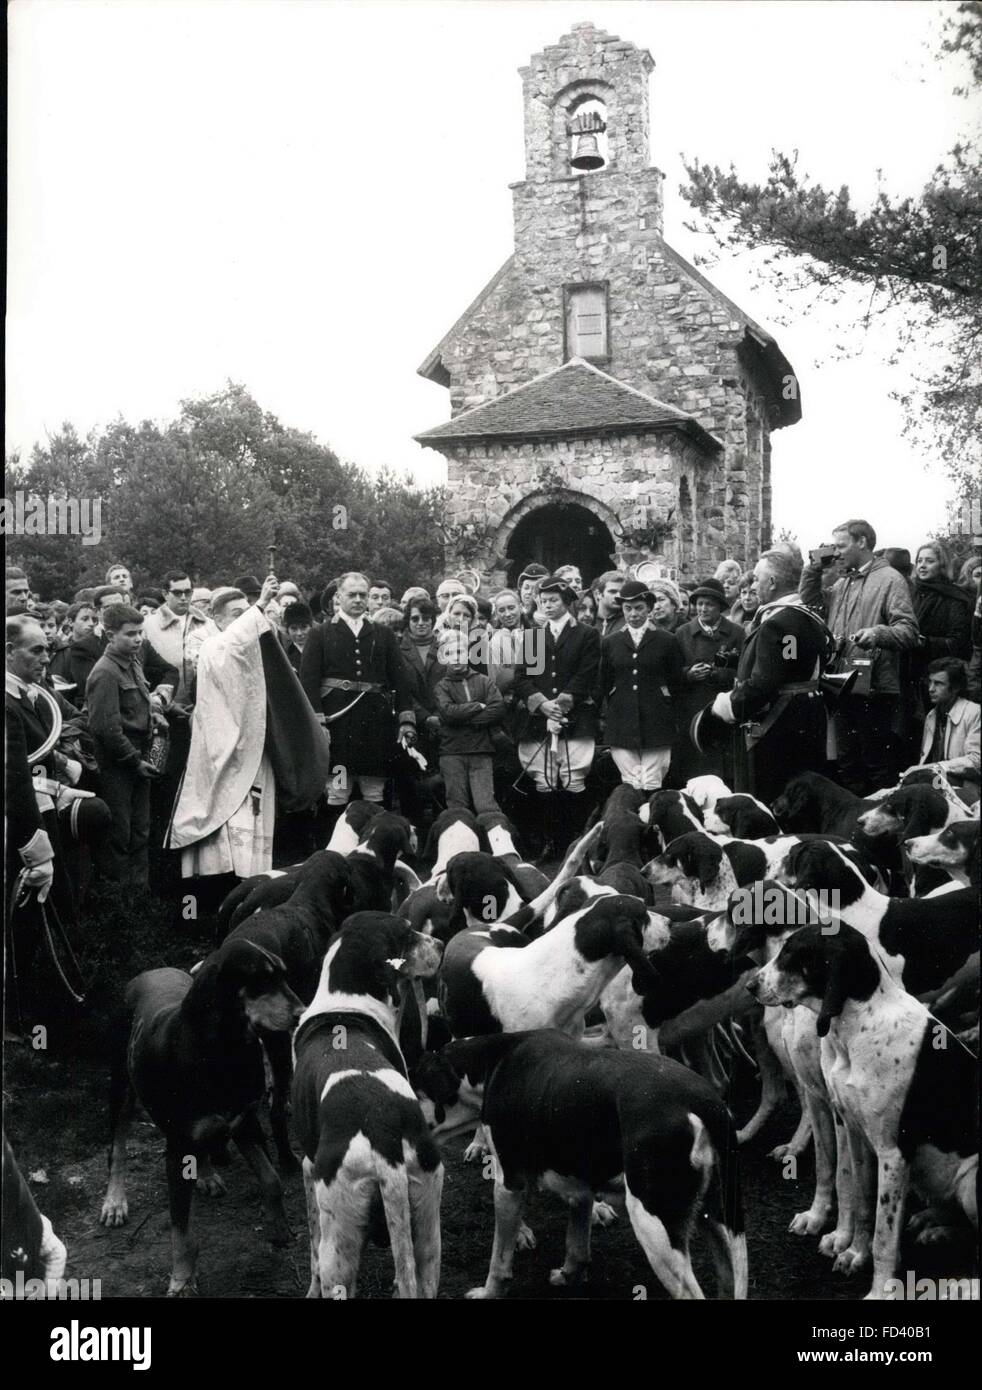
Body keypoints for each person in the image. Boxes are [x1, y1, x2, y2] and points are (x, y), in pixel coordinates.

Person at [171, 577, 331, 882]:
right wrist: (259, 606)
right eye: (236, 613)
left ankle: (251, 876)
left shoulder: (248, 650)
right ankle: (217, 880)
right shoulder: (211, 647)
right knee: (226, 822)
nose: (245, 619)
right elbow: (232, 644)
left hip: (253, 744)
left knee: (254, 820)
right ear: (216, 619)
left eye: (246, 612)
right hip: (221, 748)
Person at [800, 518, 919, 795]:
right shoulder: (844, 583)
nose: (836, 552)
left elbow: (909, 630)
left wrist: (877, 634)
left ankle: (881, 826)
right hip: (842, 684)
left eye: (841, 545)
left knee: (875, 763)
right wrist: (813, 569)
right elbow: (811, 602)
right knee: (847, 761)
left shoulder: (890, 579)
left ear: (862, 542)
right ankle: (857, 825)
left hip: (875, 688)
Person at [708, 550, 832, 803]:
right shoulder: (801, 616)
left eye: (755, 579)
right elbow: (790, 661)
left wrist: (728, 705)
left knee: (773, 799)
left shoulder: (780, 622)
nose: (752, 585)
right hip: (805, 719)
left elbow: (767, 681)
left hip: (778, 726)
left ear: (772, 583)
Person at [300, 571, 416, 837]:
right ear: (338, 597)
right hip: (338, 727)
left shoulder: (382, 634)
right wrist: (319, 723)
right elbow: (308, 682)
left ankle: (376, 847)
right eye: (351, 594)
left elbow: (400, 679)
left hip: (375, 727)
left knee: (374, 790)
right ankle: (336, 852)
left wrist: (406, 720)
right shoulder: (320, 634)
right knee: (338, 790)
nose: (358, 599)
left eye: (363, 594)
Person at [513, 575, 600, 858]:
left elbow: (586, 673)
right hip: (540, 720)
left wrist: (560, 705)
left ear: (567, 602)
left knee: (574, 777)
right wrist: (541, 705)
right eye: (543, 600)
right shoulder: (533, 636)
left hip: (574, 718)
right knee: (546, 779)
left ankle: (576, 844)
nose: (547, 605)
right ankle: (551, 843)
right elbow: (523, 677)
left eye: (553, 600)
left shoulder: (586, 634)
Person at [86, 605, 158, 889]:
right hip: (118, 763)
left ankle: (139, 895)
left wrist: (156, 717)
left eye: (140, 632)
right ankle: (118, 901)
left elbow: (139, 703)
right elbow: (106, 730)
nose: (138, 639)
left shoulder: (132, 662)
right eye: (130, 634)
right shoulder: (105, 673)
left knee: (140, 830)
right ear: (109, 635)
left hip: (137, 757)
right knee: (120, 832)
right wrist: (133, 761)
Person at [597, 580, 684, 793]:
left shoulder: (667, 640)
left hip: (656, 721)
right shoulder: (610, 642)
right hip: (621, 722)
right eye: (627, 608)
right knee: (631, 783)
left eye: (639, 608)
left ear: (649, 608)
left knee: (652, 782)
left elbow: (676, 683)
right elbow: (604, 681)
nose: (633, 614)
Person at [672, 577, 746, 784]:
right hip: (692, 711)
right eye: (699, 604)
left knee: (724, 768)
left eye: (709, 604)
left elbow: (744, 672)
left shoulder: (736, 633)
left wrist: (720, 674)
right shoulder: (682, 633)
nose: (702, 609)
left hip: (724, 709)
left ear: (720, 607)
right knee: (695, 767)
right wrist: (688, 674)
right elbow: (672, 674)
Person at [434, 628, 505, 815]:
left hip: (481, 750)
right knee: (457, 807)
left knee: (485, 805)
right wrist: (477, 706)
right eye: (449, 653)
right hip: (452, 752)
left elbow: (497, 707)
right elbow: (448, 712)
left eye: (460, 652)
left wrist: (469, 722)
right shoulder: (442, 686)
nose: (456, 658)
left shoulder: (484, 681)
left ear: (468, 653)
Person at [141, 570, 214, 708]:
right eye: (177, 593)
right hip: (163, 708)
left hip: (203, 706)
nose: (183, 597)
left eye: (188, 592)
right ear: (165, 594)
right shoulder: (148, 626)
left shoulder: (209, 624)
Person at [905, 657, 980, 786]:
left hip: (965, 787)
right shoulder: (931, 716)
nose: (931, 689)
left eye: (938, 683)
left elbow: (976, 762)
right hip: (939, 781)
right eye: (930, 682)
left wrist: (931, 768)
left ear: (955, 688)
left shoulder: (974, 712)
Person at [47, 601, 101, 695]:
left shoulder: (100, 648)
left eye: (94, 620)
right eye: (85, 619)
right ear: (71, 622)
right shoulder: (63, 650)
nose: (91, 624)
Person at [280, 601, 313, 676]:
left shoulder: (323, 649)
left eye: (304, 627)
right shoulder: (285, 657)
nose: (299, 633)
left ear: (311, 626)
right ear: (287, 630)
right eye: (294, 629)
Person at [592, 570, 626, 639]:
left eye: (622, 592)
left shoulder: (629, 621)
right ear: (598, 594)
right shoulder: (587, 619)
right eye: (613, 592)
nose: (618, 596)